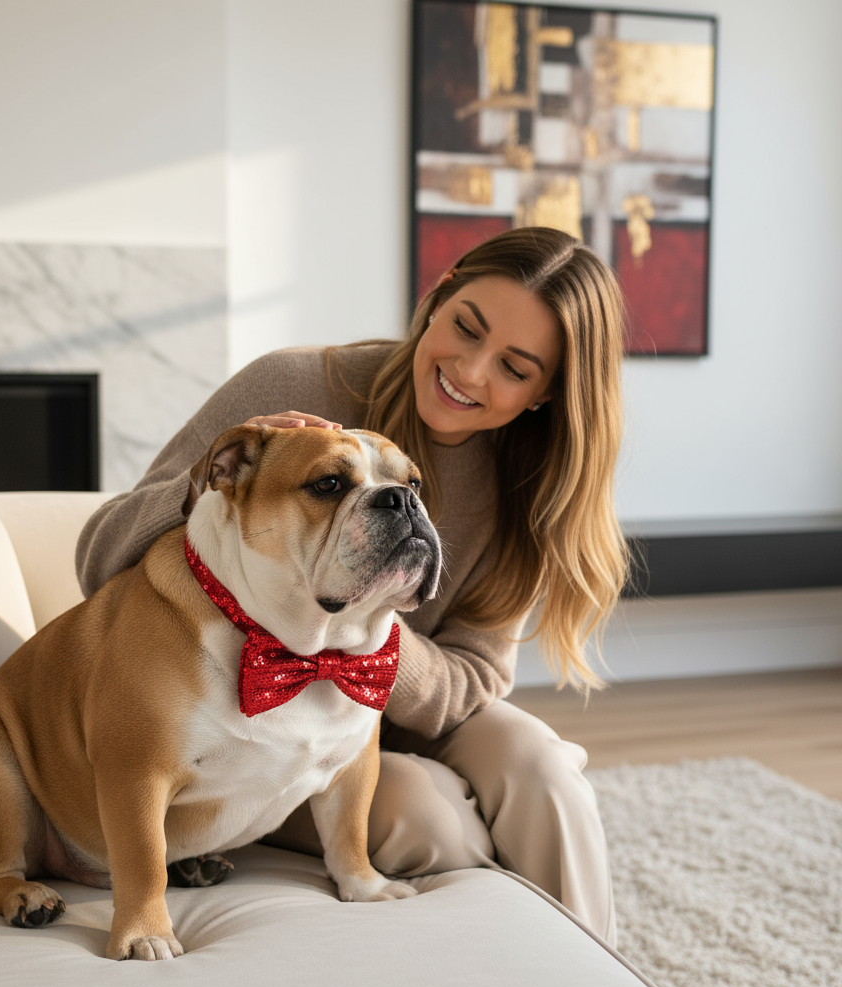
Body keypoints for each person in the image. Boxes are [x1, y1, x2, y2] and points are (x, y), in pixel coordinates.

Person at [75, 226, 628, 946]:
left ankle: (592, 980)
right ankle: (497, 971)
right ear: (440, 293)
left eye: (514, 368)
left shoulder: (534, 488)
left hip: (402, 711)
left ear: (545, 393)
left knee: (543, 768)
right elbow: (101, 557)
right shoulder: (293, 388)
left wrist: (356, 621)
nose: (470, 368)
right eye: (465, 326)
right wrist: (216, 492)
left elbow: (474, 680)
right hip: (263, 724)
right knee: (434, 822)